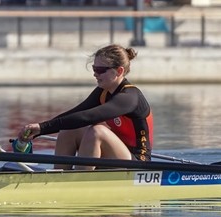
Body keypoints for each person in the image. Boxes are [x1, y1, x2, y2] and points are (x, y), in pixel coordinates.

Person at [15, 44, 153, 168]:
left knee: (96, 131)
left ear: (119, 71)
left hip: (137, 162)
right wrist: (40, 128)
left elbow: (88, 117)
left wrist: (42, 128)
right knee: (69, 130)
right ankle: (59, 176)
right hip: (116, 155)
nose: (95, 74)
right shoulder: (103, 92)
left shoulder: (129, 97)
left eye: (100, 70)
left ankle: (79, 183)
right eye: (94, 68)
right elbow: (77, 113)